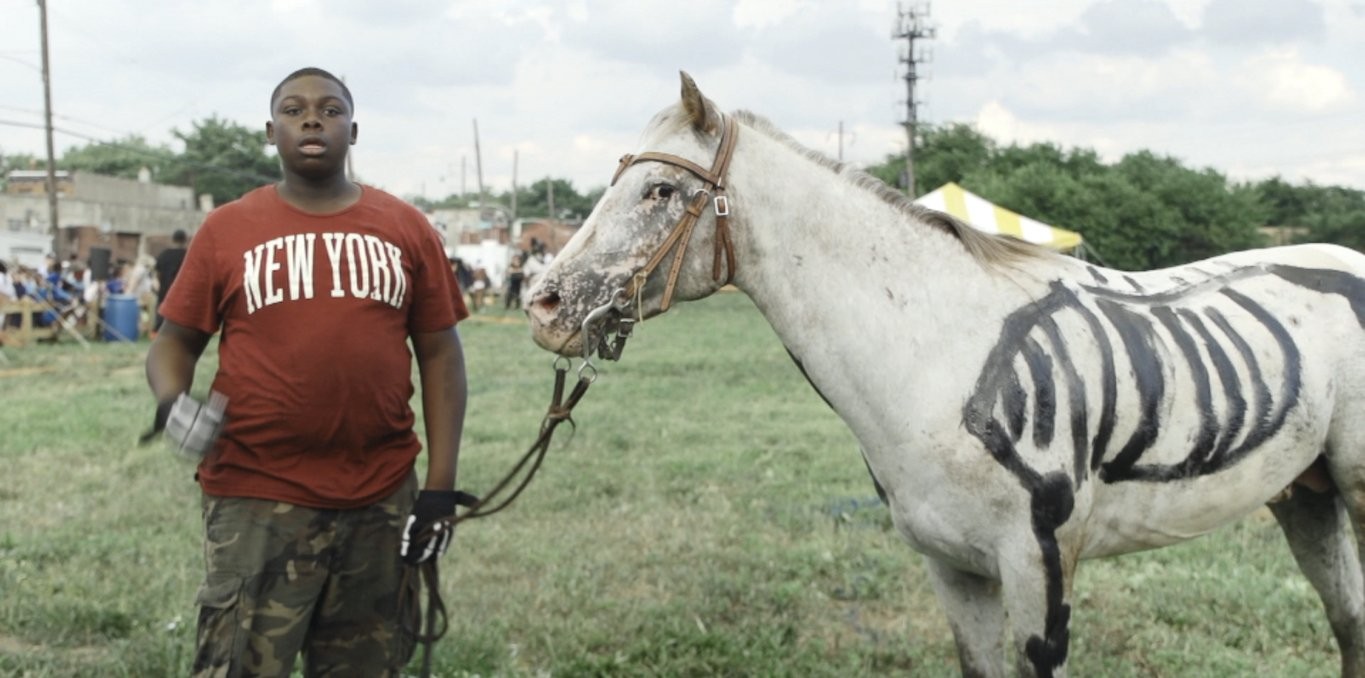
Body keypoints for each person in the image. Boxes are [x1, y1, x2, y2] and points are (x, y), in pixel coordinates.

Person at [143, 66, 471, 677]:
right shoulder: (227, 229)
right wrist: (172, 402)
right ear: (272, 133)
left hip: (381, 495)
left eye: (330, 109)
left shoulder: (405, 227)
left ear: (354, 130)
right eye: (293, 110)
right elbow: (173, 343)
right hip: (255, 495)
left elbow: (441, 355)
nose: (313, 119)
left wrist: (440, 488)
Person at [153, 229, 189, 333]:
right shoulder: (187, 254)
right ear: (185, 240)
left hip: (164, 290)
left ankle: (157, 333)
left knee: (162, 314)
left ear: (173, 239)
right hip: (181, 292)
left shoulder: (164, 254)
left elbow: (158, 274)